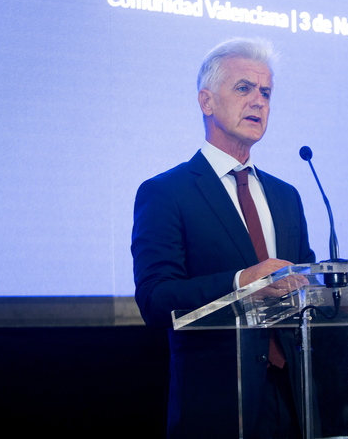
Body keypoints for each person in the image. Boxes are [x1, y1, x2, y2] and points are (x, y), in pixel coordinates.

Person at [132, 37, 316, 438]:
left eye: (266, 92)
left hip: (296, 401)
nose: (258, 102)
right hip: (218, 404)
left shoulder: (286, 196)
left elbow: (306, 285)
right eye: (244, 88)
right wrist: (241, 282)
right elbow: (155, 300)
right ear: (207, 101)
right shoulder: (166, 193)